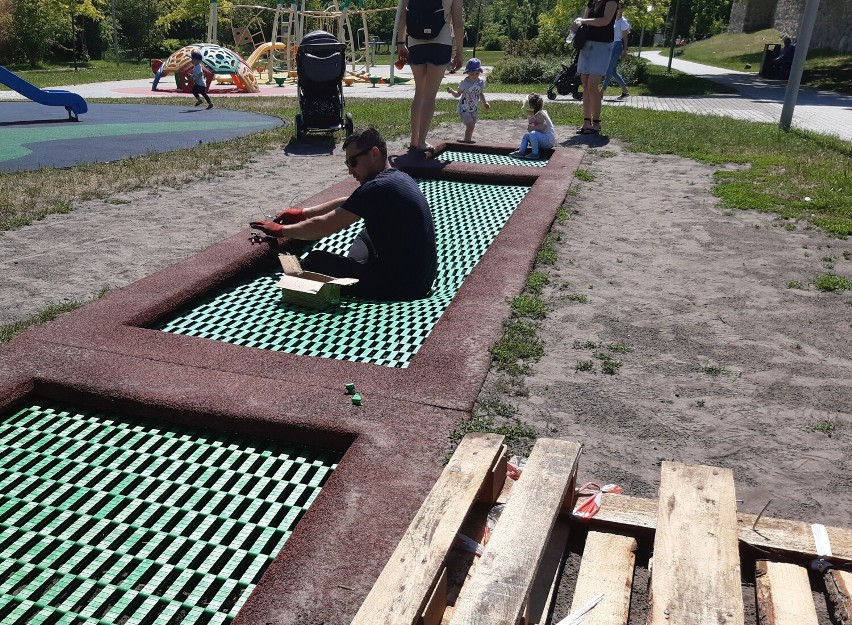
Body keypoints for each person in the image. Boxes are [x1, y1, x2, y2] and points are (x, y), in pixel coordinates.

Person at [249, 128, 437, 301]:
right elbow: (350, 202)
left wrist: (281, 230)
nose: (350, 170)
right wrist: (302, 214)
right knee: (366, 235)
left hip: (399, 287)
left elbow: (323, 226)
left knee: (316, 260)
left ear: (374, 153)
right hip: (421, 280)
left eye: (353, 162)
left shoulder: (376, 187)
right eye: (347, 163)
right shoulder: (397, 178)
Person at [395, 0, 464, 152]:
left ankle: (414, 140)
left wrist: (400, 42)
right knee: (429, 96)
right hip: (441, 43)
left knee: (419, 93)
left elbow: (403, 14)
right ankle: (421, 141)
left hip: (415, 42)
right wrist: (460, 52)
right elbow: (457, 23)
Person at [570, 0, 618, 135]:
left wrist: (583, 21)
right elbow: (585, 20)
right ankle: (586, 122)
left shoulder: (612, 1)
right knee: (585, 83)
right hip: (586, 44)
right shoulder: (591, 2)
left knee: (592, 84)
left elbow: (604, 21)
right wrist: (577, 25)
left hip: (602, 46)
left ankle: (596, 123)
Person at [446, 58, 490, 143]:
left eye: (477, 73)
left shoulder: (480, 82)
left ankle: (467, 139)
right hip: (464, 108)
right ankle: (467, 141)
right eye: (472, 73)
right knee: (470, 125)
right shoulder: (464, 83)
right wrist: (452, 92)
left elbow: (480, 93)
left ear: (480, 72)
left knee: (472, 125)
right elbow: (458, 94)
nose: (474, 75)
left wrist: (485, 102)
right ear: (467, 72)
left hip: (474, 108)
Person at [510, 93, 556, 160]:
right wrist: (531, 126)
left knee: (533, 134)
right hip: (543, 140)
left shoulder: (540, 114)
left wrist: (533, 128)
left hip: (548, 141)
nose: (526, 112)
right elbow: (532, 130)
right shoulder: (534, 116)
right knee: (526, 136)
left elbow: (543, 125)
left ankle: (535, 154)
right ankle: (521, 151)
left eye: (527, 110)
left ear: (532, 109)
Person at [601, 2, 630, 99]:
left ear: (621, 9)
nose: (615, 10)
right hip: (609, 45)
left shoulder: (623, 22)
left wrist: (625, 51)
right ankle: (625, 90)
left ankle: (602, 91)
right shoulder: (612, 20)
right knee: (612, 71)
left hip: (617, 46)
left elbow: (625, 38)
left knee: (609, 69)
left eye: (618, 8)